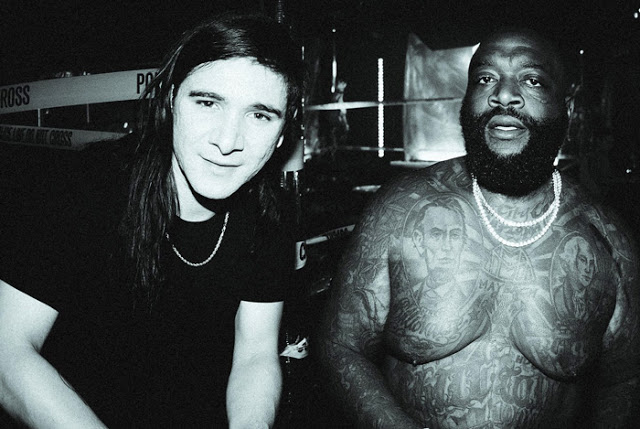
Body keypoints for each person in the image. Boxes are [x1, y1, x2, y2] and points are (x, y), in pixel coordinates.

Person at [320, 27, 639, 428]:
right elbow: (341, 346)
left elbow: (625, 378)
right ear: (466, 98)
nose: (504, 95)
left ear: (567, 108)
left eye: (532, 80)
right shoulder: (401, 208)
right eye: (486, 78)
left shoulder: (607, 240)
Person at [0, 12, 304, 428]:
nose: (227, 141)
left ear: (283, 133)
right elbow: (7, 352)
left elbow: (255, 353)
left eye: (259, 115)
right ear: (171, 101)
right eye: (207, 103)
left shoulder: (269, 212)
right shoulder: (83, 188)